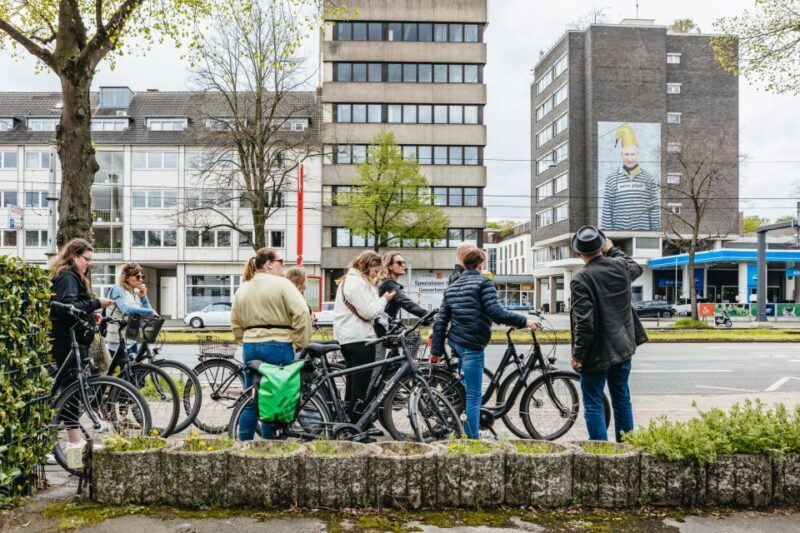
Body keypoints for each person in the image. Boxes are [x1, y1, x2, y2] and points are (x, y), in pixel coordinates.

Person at [430, 248, 540, 439]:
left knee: (464, 389)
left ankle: (460, 426)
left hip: (456, 342)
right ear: (481, 265)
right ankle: (472, 440)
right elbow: (496, 311)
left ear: (464, 263)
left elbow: (441, 321)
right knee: (473, 397)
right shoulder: (483, 282)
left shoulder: (452, 287)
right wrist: (525, 321)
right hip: (472, 344)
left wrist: (436, 351)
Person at [569, 225, 648, 442]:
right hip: (623, 347)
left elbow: (585, 324)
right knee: (621, 398)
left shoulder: (581, 279)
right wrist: (613, 250)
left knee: (593, 402)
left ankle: (601, 453)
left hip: (596, 353)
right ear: (601, 247)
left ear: (578, 253)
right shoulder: (620, 266)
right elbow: (635, 267)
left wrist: (578, 355)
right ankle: (627, 446)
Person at [230, 248, 312, 440]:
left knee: (252, 398)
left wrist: (244, 338)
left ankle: (244, 446)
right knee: (275, 397)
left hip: (251, 345)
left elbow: (235, 320)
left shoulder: (243, 287)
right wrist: (300, 341)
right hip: (278, 343)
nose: (283, 266)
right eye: (280, 262)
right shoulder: (282, 284)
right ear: (268, 263)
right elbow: (301, 313)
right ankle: (270, 444)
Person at [50, 238, 114, 448]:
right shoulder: (68, 276)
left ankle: (66, 440)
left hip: (75, 339)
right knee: (70, 389)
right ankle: (74, 442)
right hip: (68, 340)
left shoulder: (73, 276)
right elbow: (66, 306)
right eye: (86, 259)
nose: (88, 263)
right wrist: (97, 303)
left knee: (69, 389)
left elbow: (76, 305)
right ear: (74, 255)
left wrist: (90, 313)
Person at [333, 251, 396, 423]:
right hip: (360, 338)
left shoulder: (349, 280)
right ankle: (356, 425)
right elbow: (369, 312)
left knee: (353, 384)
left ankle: (348, 423)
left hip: (348, 338)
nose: (376, 275)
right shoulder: (358, 283)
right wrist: (384, 299)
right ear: (367, 267)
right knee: (360, 387)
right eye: (375, 271)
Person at [600, 123, 660, 231]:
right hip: (618, 233)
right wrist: (609, 234)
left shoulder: (648, 178)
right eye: (626, 154)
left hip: (643, 233)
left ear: (638, 155)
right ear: (621, 155)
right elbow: (607, 209)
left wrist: (655, 232)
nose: (630, 158)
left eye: (632, 154)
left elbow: (654, 208)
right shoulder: (612, 179)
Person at [106, 262, 157, 352]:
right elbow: (126, 309)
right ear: (126, 277)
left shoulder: (134, 292)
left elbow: (148, 312)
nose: (140, 280)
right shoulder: (118, 289)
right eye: (137, 277)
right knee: (122, 366)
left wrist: (144, 297)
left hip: (131, 338)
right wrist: (150, 311)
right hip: (118, 339)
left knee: (135, 366)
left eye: (142, 277)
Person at [377, 252, 426, 320]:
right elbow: (407, 303)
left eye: (404, 262)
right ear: (390, 266)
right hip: (382, 327)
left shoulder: (390, 283)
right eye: (399, 263)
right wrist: (427, 314)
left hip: (387, 325)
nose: (403, 265)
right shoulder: (389, 284)